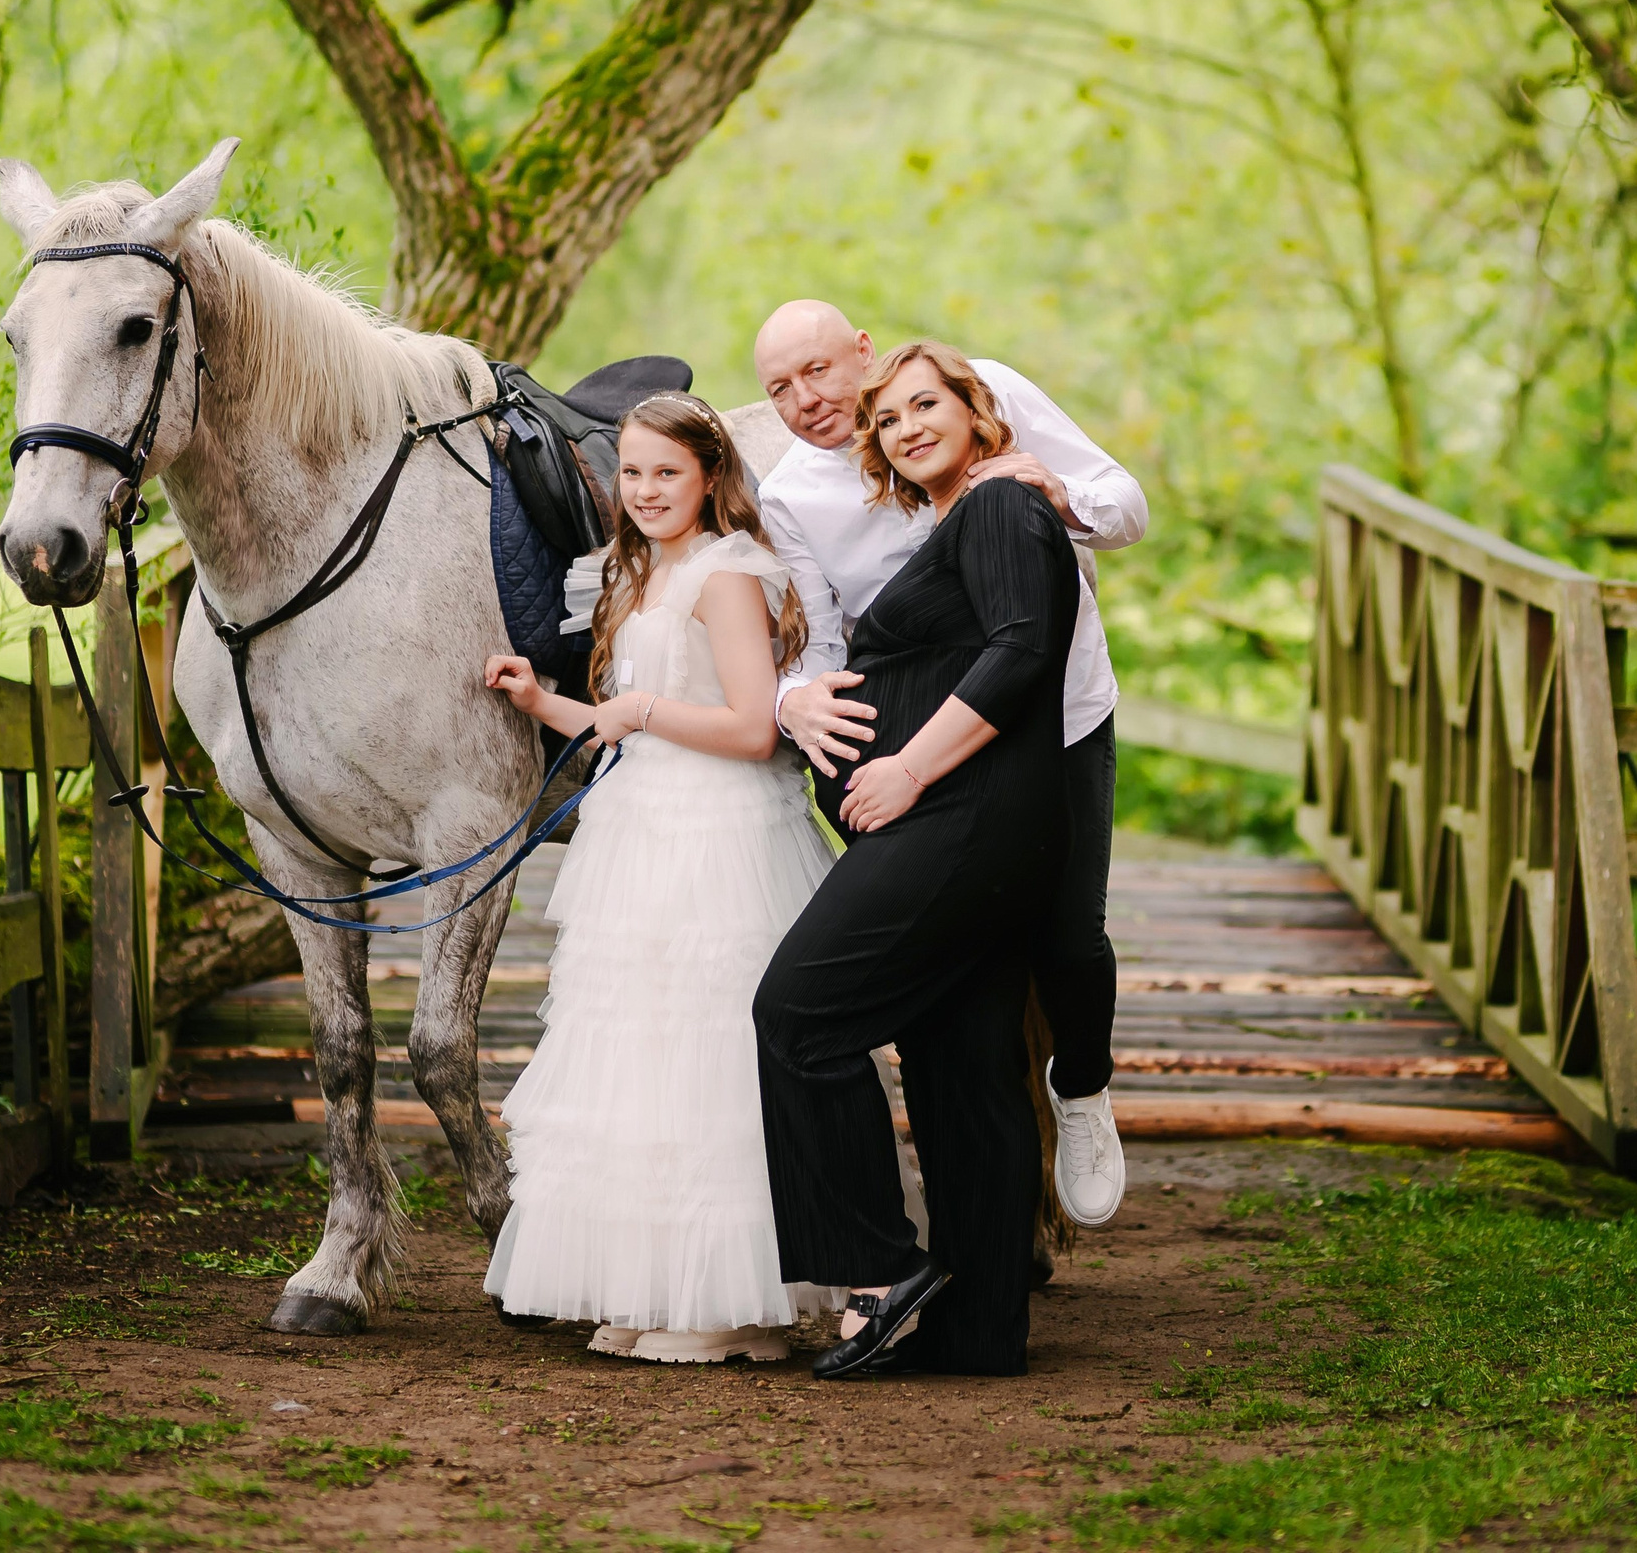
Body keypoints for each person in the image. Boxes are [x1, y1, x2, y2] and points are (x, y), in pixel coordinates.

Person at [753, 300, 1144, 1228]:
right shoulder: (793, 491)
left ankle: (1080, 1086)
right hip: (921, 748)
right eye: (778, 389)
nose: (807, 400)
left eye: (818, 370)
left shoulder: (980, 391)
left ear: (861, 350)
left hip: (1058, 716)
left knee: (1067, 938)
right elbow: (817, 639)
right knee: (957, 985)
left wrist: (1057, 495)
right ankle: (988, 1222)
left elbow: (1123, 506)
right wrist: (789, 699)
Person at [481, 392, 837, 1364]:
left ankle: (727, 1299)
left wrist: (637, 707)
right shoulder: (636, 571)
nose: (644, 490)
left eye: (665, 473)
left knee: (707, 1062)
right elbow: (619, 720)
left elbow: (753, 727)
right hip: (642, 830)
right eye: (631, 472)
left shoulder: (727, 575)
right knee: (637, 1057)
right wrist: (543, 699)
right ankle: (648, 1281)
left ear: (710, 478)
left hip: (719, 837)